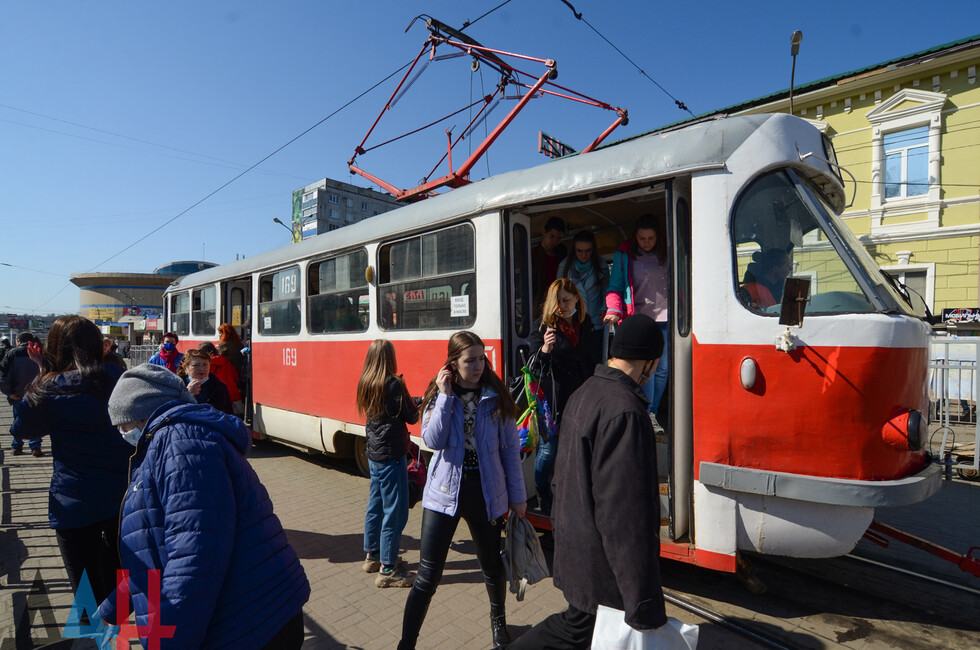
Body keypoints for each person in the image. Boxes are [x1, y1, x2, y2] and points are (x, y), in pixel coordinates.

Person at [99, 364, 310, 648]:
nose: (123, 434)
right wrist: (113, 609)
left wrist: (169, 642)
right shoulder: (171, 442)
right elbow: (153, 546)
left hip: (254, 623)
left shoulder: (179, 445)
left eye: (123, 425)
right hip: (252, 611)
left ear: (141, 416)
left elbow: (195, 557)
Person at [508, 314, 667, 649]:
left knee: (582, 630)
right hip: (602, 567)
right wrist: (643, 602)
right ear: (649, 364)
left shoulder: (586, 392)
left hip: (578, 549)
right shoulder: (626, 411)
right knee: (576, 628)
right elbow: (624, 515)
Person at [398, 331, 526, 650]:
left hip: (485, 492)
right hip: (443, 494)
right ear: (453, 363)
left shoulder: (497, 396)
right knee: (427, 577)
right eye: (470, 360)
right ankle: (407, 642)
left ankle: (498, 623)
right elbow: (433, 441)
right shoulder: (440, 394)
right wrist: (443, 396)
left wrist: (518, 498)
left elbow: (510, 450)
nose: (478, 365)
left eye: (482, 358)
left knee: (492, 567)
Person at [14, 316, 131, 604]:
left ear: (53, 348)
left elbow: (23, 429)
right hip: (127, 495)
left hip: (74, 501)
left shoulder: (48, 388)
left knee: (86, 593)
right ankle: (150, 634)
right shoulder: (120, 378)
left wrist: (41, 373)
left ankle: (96, 640)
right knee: (137, 575)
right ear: (97, 345)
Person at [527, 278, 595, 514]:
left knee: (577, 449)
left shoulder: (585, 324)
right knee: (549, 451)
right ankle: (543, 496)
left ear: (577, 298)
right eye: (557, 301)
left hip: (580, 397)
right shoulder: (542, 327)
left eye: (566, 300)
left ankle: (572, 495)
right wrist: (545, 349)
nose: (562, 306)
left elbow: (590, 359)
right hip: (552, 401)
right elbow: (532, 368)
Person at [355, 339, 420, 588]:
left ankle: (372, 556)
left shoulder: (367, 382)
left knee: (376, 505)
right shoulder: (394, 383)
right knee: (395, 512)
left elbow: (391, 408)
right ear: (390, 358)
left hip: (374, 455)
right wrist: (419, 401)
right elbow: (412, 417)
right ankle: (388, 570)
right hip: (392, 456)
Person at [604, 214, 670, 419]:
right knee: (644, 369)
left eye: (651, 238)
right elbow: (615, 287)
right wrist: (613, 310)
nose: (647, 243)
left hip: (668, 319)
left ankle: (654, 409)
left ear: (658, 237)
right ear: (635, 238)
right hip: (639, 319)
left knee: (662, 369)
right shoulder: (625, 254)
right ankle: (647, 413)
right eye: (642, 239)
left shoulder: (668, 251)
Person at [556, 230, 608, 337]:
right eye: (579, 251)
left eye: (588, 251)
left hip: (595, 322)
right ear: (574, 250)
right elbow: (557, 294)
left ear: (593, 250)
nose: (584, 255)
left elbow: (607, 291)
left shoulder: (601, 265)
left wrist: (604, 308)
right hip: (572, 323)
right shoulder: (564, 266)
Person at [1, 332, 43, 456]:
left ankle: (17, 446)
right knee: (36, 420)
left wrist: (9, 393)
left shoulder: (12, 354)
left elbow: (3, 376)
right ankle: (35, 446)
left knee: (18, 420)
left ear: (18, 340)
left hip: (18, 394)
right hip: (37, 394)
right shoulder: (41, 352)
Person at [177, 348, 234, 414]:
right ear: (185, 368)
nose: (201, 369)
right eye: (196, 365)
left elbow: (229, 414)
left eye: (205, 365)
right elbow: (171, 412)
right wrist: (188, 395)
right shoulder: (177, 386)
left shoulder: (220, 387)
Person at [531, 216, 567, 318]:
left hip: (559, 301)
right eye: (552, 236)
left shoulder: (561, 253)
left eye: (558, 238)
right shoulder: (533, 255)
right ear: (543, 232)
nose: (555, 241)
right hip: (540, 302)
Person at [199, 341, 244, 415]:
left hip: (216, 393)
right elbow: (235, 376)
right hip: (233, 392)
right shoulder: (226, 361)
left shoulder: (206, 365)